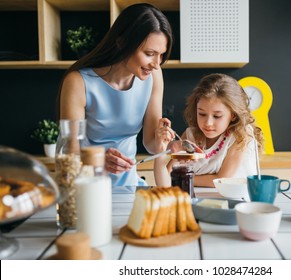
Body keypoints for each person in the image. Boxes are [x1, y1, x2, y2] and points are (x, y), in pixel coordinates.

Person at [56, 3, 173, 187]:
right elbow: (69, 152)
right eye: (150, 54)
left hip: (127, 185)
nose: (156, 64)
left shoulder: (154, 77)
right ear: (122, 43)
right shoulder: (78, 82)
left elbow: (151, 144)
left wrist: (164, 140)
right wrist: (99, 159)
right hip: (84, 185)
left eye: (161, 55)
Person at [154, 73, 264, 188]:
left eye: (217, 116)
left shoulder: (241, 135)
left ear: (233, 115)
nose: (208, 123)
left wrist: (183, 177)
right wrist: (160, 149)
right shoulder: (190, 136)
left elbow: (221, 180)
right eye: (202, 114)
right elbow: (165, 183)